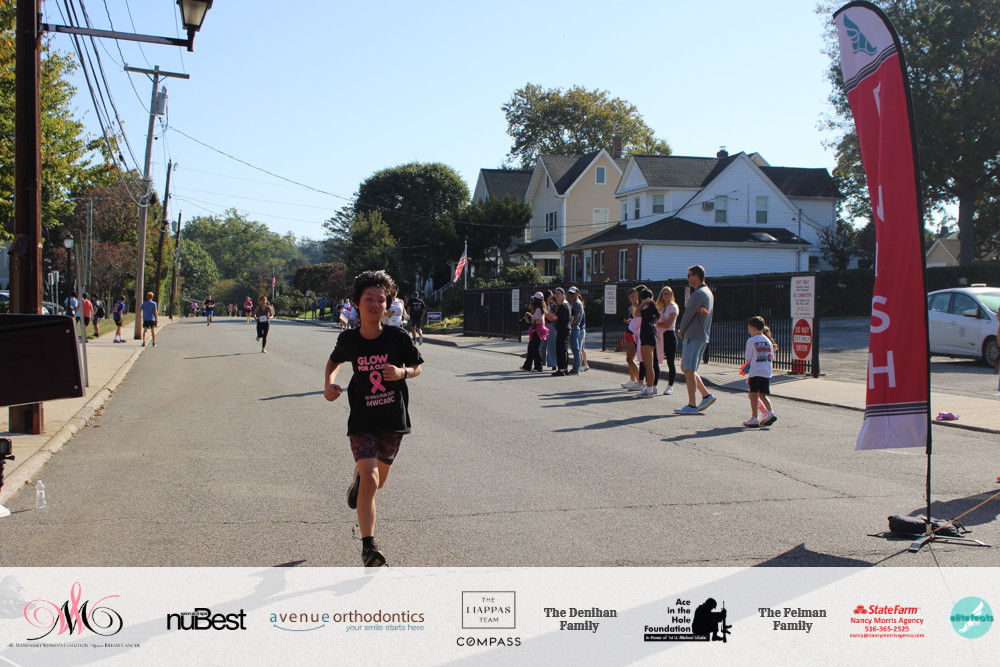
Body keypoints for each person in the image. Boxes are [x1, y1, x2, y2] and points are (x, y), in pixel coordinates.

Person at [324, 269, 424, 567]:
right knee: (371, 477)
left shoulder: (397, 337)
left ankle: (359, 481)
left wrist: (403, 372)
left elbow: (417, 366)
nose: (375, 304)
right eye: (369, 299)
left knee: (377, 483)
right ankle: (369, 547)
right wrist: (329, 383)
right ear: (357, 302)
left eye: (381, 300)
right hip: (363, 418)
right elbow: (334, 361)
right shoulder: (349, 339)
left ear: (388, 305)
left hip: (393, 419)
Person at [675, 265, 717, 415]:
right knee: (687, 368)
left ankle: (692, 405)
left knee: (689, 370)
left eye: (689, 275)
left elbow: (688, 314)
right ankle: (706, 395)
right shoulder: (707, 292)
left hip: (693, 335)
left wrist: (681, 331)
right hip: (700, 335)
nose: (688, 278)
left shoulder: (698, 294)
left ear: (696, 276)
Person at [743, 316, 777, 427]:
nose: (749, 330)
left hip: (756, 370)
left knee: (753, 395)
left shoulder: (751, 340)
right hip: (766, 371)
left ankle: (754, 418)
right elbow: (772, 357)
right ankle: (770, 413)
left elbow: (748, 356)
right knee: (763, 395)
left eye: (749, 328)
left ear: (753, 328)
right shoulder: (768, 341)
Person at [636, 287, 660, 398]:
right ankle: (649, 386)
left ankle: (650, 389)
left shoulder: (648, 309)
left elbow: (636, 312)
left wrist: (642, 303)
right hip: (651, 335)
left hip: (647, 336)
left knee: (648, 365)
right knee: (648, 365)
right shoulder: (654, 308)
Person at [656, 286, 679, 395]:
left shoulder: (673, 307)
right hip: (660, 335)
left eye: (668, 294)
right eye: (664, 294)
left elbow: (668, 324)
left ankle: (670, 386)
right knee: (656, 360)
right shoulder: (660, 307)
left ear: (671, 295)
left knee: (670, 361)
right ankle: (654, 384)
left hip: (669, 335)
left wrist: (660, 325)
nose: (666, 296)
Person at [520, 292, 547, 372]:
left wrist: (528, 321)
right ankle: (527, 365)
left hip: (537, 330)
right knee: (531, 348)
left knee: (535, 349)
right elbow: (537, 319)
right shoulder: (540, 308)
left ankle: (538, 366)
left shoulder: (538, 309)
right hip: (537, 329)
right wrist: (530, 316)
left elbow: (539, 321)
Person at [620, 287, 642, 390]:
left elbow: (638, 320)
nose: (634, 299)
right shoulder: (630, 307)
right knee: (629, 358)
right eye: (632, 296)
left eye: (636, 296)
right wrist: (628, 320)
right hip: (628, 332)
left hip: (635, 334)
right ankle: (632, 380)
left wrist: (631, 320)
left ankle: (640, 381)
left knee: (630, 358)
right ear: (629, 297)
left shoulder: (639, 307)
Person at [550, 287, 571, 376]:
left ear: (563, 294)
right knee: (563, 349)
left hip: (563, 329)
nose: (556, 295)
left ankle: (561, 369)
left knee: (560, 350)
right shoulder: (567, 304)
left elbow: (557, 318)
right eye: (555, 294)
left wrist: (547, 312)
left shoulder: (563, 305)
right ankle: (564, 369)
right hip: (565, 329)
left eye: (558, 294)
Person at [567, 287, 585, 374]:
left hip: (574, 327)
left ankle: (576, 368)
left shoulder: (577, 303)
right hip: (574, 327)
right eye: (570, 293)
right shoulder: (574, 302)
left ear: (577, 293)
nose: (571, 295)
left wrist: (570, 325)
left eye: (573, 293)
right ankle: (577, 367)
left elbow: (576, 317)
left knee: (575, 348)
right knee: (575, 348)